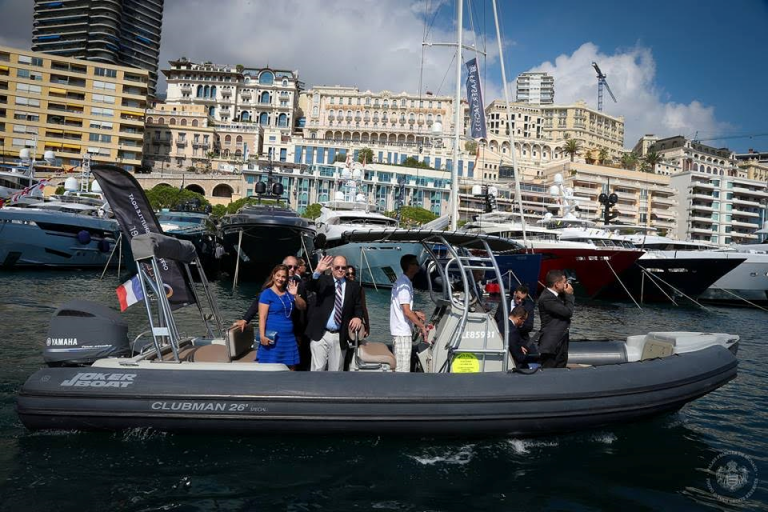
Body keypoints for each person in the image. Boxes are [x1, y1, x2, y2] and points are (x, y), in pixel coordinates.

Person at [305, 255, 364, 371]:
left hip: (339, 335)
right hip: (320, 334)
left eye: (343, 267)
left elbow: (358, 305)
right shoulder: (323, 281)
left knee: (336, 371)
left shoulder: (354, 286)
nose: (341, 270)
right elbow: (309, 285)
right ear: (331, 268)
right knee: (317, 369)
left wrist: (358, 317)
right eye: (337, 267)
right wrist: (317, 271)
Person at [237, 264, 300, 368]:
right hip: (273, 338)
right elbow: (262, 317)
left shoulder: (289, 293)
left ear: (287, 278)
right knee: (270, 368)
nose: (280, 279)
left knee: (291, 368)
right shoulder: (266, 293)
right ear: (273, 275)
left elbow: (302, 306)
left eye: (283, 276)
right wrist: (262, 336)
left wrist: (295, 295)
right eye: (278, 275)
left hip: (288, 338)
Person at [390, 254, 427, 373]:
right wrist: (422, 327)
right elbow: (406, 311)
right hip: (402, 332)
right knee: (402, 369)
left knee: (402, 366)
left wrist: (415, 313)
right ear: (410, 266)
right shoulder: (404, 285)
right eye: (416, 263)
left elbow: (403, 307)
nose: (418, 266)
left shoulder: (403, 281)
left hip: (401, 330)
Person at [537, 270, 575, 369]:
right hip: (552, 343)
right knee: (549, 369)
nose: (566, 285)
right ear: (557, 284)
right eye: (564, 282)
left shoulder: (556, 296)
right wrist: (569, 295)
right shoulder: (547, 298)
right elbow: (567, 312)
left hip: (561, 341)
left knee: (561, 368)